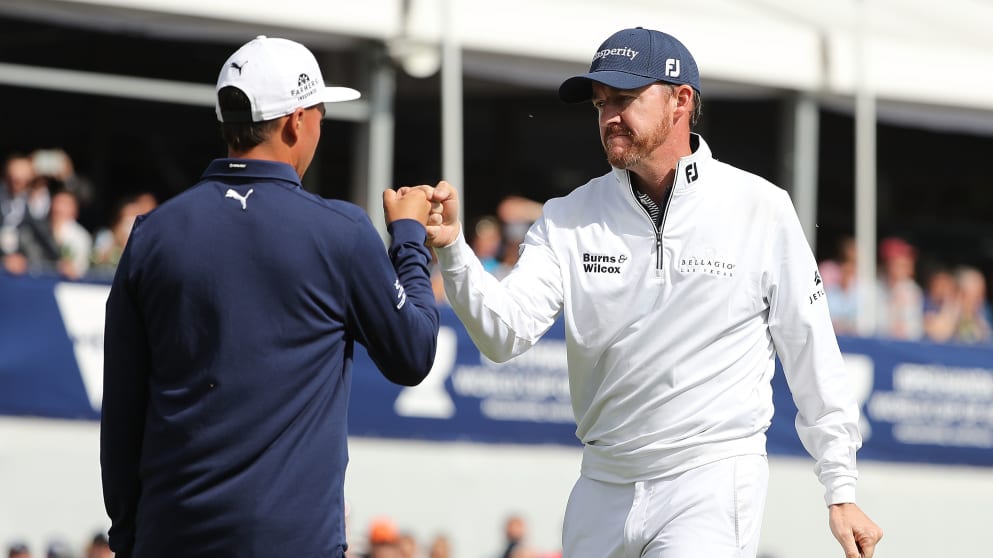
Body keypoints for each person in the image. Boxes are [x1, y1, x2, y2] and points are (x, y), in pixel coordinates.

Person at [416, 27, 881, 558]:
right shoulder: (568, 216)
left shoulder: (761, 207)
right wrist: (452, 247)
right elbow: (504, 335)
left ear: (681, 100)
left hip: (710, 477)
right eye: (600, 103)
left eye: (624, 99)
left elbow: (811, 351)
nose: (609, 116)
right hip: (601, 481)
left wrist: (840, 488)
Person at [101, 35, 440, 558]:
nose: (322, 127)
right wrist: (410, 240)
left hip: (168, 537)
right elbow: (413, 354)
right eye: (322, 113)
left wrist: (128, 538)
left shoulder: (153, 234)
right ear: (296, 121)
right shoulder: (341, 232)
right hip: (292, 543)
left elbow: (122, 413)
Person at [875, 236, 924, 340]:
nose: (907, 268)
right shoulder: (875, 287)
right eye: (900, 264)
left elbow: (913, 327)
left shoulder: (912, 290)